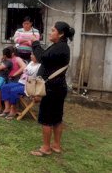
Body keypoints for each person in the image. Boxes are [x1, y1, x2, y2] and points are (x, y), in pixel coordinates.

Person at [30, 21, 75, 157]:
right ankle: (56, 145)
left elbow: (42, 57)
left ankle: (46, 148)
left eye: (53, 30)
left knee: (47, 118)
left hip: (52, 89)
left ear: (61, 34)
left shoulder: (60, 47)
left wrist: (35, 43)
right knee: (56, 118)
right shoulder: (59, 46)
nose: (50, 32)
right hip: (57, 87)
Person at [0, 54, 41, 119]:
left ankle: (13, 109)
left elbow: (38, 79)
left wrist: (27, 75)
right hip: (21, 82)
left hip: (30, 86)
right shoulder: (31, 62)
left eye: (33, 54)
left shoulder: (40, 66)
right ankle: (7, 108)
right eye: (31, 54)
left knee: (14, 90)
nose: (31, 56)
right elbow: (25, 71)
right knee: (5, 87)